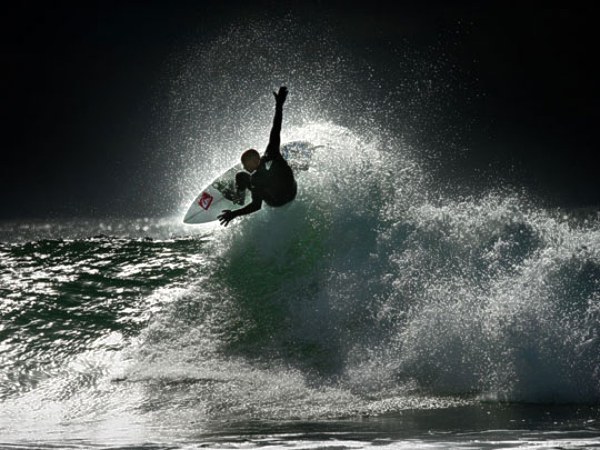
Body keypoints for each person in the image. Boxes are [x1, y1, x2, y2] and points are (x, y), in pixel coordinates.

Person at [218, 86, 297, 226]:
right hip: (291, 192)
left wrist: (233, 214)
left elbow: (256, 206)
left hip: (276, 203)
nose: (244, 166)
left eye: (245, 164)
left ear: (255, 160)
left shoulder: (255, 179)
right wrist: (279, 105)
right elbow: (276, 129)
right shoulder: (271, 152)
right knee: (283, 167)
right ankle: (297, 166)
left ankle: (238, 196)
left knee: (241, 176)